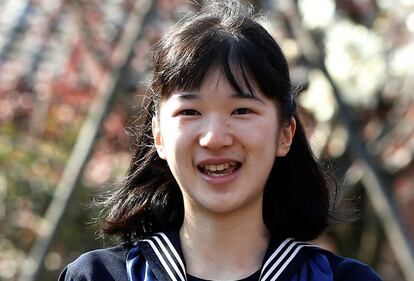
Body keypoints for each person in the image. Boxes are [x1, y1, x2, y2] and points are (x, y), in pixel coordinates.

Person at [59, 0, 382, 280]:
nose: (214, 138)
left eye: (241, 110)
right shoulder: (100, 276)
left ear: (285, 134)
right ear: (158, 135)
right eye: (190, 112)